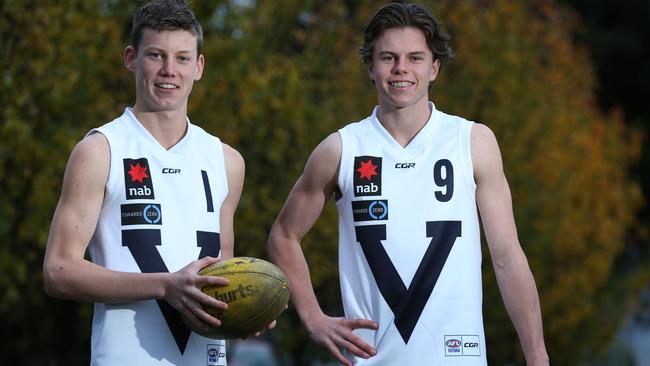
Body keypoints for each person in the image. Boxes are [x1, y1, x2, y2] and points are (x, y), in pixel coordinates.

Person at [267, 3, 549, 365]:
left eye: (415, 58)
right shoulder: (341, 149)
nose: (401, 69)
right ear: (370, 66)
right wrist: (313, 317)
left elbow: (508, 257)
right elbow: (283, 236)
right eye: (388, 57)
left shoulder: (472, 141)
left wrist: (537, 355)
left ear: (434, 68)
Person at [43, 1, 253, 365]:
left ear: (199, 67)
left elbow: (223, 274)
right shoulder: (99, 151)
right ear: (130, 58)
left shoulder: (227, 161)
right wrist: (165, 286)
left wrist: (246, 308)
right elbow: (58, 270)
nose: (169, 71)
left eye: (183, 58)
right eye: (156, 55)